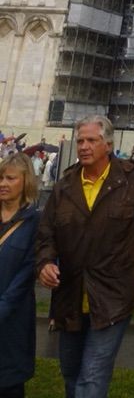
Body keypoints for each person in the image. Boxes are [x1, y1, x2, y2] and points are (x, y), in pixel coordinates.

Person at [36, 114, 134, 398]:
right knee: (71, 373)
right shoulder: (65, 186)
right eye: (80, 140)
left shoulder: (132, 181)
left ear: (108, 144)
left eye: (91, 140)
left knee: (92, 375)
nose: (84, 146)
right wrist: (45, 262)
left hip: (113, 295)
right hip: (71, 294)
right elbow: (46, 235)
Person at [0, 152, 40, 398]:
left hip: (13, 320)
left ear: (25, 182)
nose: (3, 184)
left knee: (8, 384)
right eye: (1, 178)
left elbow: (27, 273)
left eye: (10, 178)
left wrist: (2, 308)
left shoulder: (35, 222)